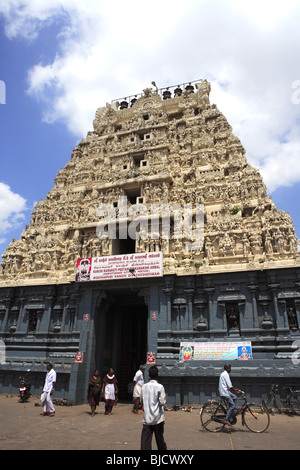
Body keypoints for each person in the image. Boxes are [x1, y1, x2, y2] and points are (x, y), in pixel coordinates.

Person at [140, 365, 167, 450]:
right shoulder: (160, 387)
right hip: (158, 418)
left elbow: (141, 401)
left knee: (145, 443)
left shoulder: (144, 387)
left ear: (149, 375)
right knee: (160, 441)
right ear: (157, 375)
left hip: (147, 419)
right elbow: (162, 402)